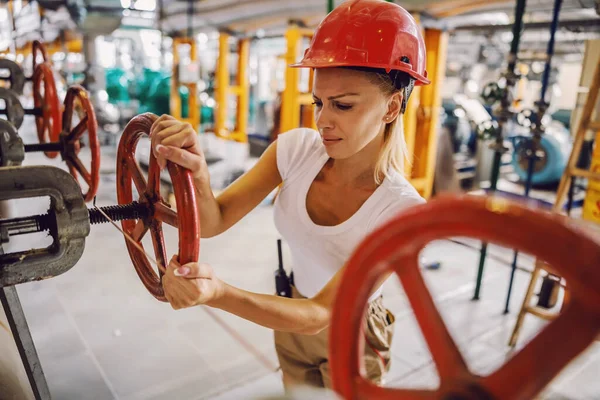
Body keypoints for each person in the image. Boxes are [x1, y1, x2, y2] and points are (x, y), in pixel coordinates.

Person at [150, 0, 430, 390]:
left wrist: (216, 293)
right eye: (319, 102)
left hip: (352, 334)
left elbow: (321, 313)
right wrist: (197, 171)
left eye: (343, 105)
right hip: (289, 311)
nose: (322, 120)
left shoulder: (402, 211)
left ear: (391, 107)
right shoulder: (296, 151)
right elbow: (213, 221)